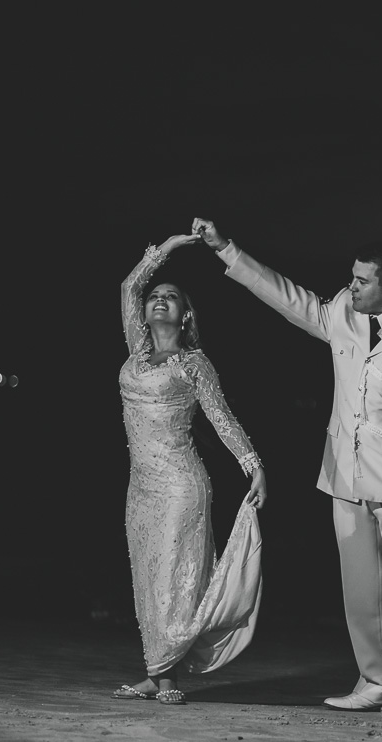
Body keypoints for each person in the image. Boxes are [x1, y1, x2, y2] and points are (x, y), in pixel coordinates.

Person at [192, 218, 382, 721]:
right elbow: (290, 299)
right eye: (352, 278)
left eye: (362, 280)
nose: (351, 286)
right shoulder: (344, 312)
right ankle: (375, 680)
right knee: (360, 589)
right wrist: (227, 249)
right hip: (345, 474)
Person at [114, 234, 269, 706]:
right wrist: (171, 244)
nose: (159, 300)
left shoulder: (195, 363)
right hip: (140, 486)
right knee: (146, 576)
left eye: (172, 297)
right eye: (155, 297)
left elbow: (221, 417)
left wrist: (253, 465)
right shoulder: (136, 353)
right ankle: (154, 669)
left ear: (186, 315)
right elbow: (128, 285)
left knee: (174, 578)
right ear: (144, 312)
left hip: (182, 485)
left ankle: (167, 678)